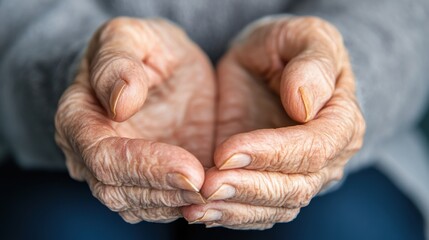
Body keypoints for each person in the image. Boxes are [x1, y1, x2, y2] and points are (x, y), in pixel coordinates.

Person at [0, 0, 428, 239]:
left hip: (360, 156)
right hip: (74, 146)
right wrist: (78, 66)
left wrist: (342, 76)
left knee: (355, 233)